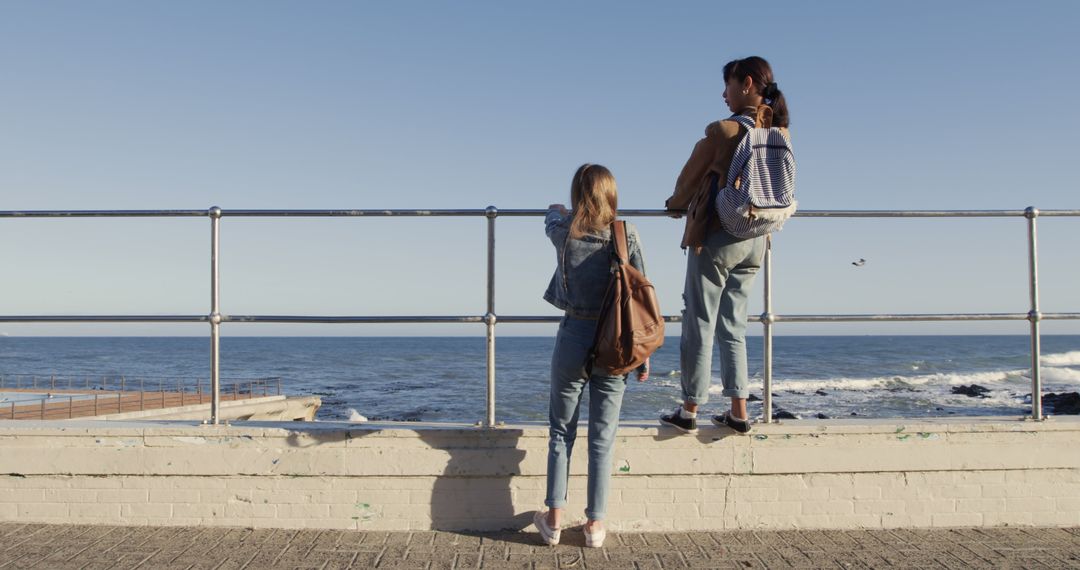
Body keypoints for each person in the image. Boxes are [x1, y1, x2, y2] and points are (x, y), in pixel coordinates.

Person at [660, 56, 791, 435]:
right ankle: (738, 410)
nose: (724, 93)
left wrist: (674, 206)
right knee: (734, 325)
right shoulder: (779, 131)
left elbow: (687, 182)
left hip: (718, 236)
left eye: (729, 85)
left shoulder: (725, 131)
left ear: (746, 83)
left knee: (699, 321)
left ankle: (689, 409)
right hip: (757, 239)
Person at [534, 163, 649, 548]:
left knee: (560, 431)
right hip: (615, 340)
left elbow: (550, 217)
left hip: (573, 334)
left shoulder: (564, 231)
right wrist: (642, 355)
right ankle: (595, 526)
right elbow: (640, 297)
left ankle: (552, 520)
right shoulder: (625, 233)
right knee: (602, 437)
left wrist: (559, 208)